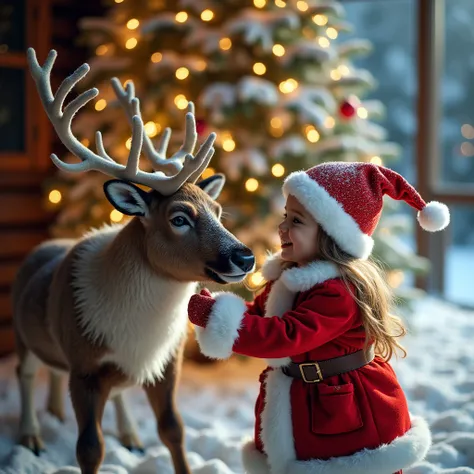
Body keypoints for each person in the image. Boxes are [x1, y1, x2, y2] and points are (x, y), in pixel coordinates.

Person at [187, 162, 450, 474]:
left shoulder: (339, 292)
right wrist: (217, 310)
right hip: (301, 398)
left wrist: (219, 319)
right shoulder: (288, 278)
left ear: (331, 234)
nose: (282, 228)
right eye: (285, 216)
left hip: (345, 404)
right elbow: (258, 315)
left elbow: (286, 336)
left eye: (296, 221)